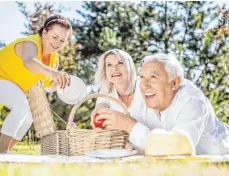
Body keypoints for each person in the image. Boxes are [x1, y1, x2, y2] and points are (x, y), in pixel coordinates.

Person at [97, 53, 229, 155]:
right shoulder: (152, 101)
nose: (144, 85)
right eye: (142, 77)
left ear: (174, 83)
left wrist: (128, 124)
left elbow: (180, 147)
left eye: (153, 77)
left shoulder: (192, 101)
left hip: (221, 161)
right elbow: (153, 138)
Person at [0, 15, 72, 153]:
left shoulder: (54, 59)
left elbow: (47, 85)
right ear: (44, 32)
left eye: (62, 40)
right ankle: (1, 153)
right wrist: (53, 73)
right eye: (55, 37)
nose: (57, 43)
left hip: (8, 84)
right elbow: (29, 61)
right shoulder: (31, 43)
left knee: (28, 114)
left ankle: (6, 151)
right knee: (22, 105)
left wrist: (60, 84)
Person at [91, 49, 147, 127]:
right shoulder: (106, 90)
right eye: (109, 65)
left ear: (129, 66)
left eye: (120, 63)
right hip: (120, 139)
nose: (114, 68)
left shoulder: (144, 85)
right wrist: (96, 120)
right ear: (105, 71)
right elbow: (100, 109)